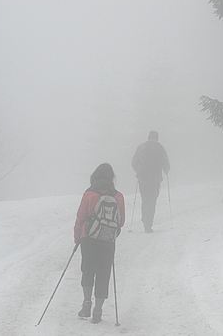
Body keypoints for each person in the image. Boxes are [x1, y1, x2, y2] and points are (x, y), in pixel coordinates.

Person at [73, 163, 125, 323]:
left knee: (88, 270)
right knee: (103, 274)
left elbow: (80, 218)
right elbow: (121, 222)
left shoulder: (88, 194)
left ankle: (86, 303)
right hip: (107, 240)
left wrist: (77, 238)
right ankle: (98, 311)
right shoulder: (118, 196)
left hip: (88, 238)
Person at [131, 130, 170, 233]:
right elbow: (166, 164)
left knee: (145, 199)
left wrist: (138, 171)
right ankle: (148, 224)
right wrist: (166, 171)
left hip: (143, 178)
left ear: (148, 137)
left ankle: (145, 219)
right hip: (155, 179)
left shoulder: (141, 147)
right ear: (157, 138)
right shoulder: (161, 148)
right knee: (152, 200)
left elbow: (134, 161)